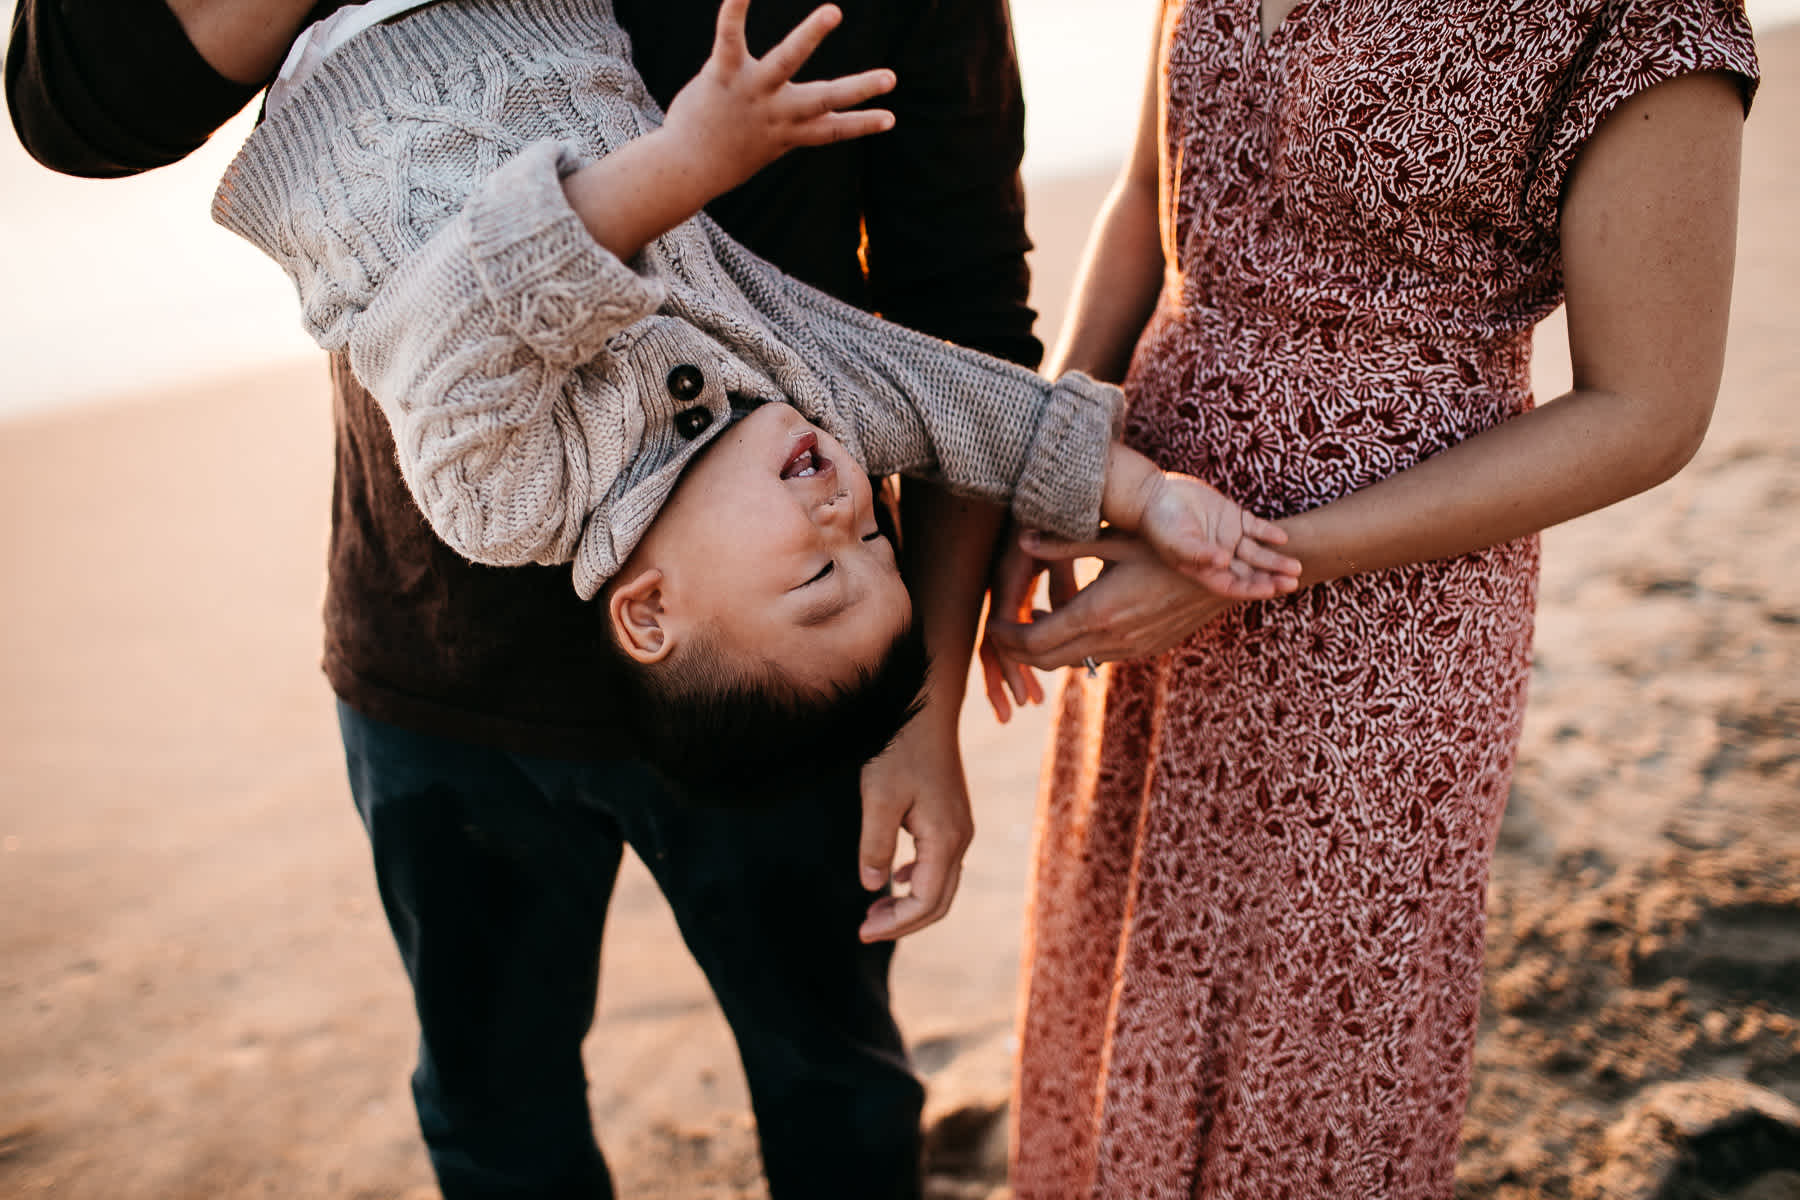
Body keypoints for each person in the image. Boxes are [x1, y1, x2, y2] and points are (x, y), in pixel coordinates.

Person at [5, 0, 1028, 1194]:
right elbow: (77, 102)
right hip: (438, 666)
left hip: (797, 668)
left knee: (836, 1084)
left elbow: (967, 316)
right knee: (496, 1106)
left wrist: (923, 703)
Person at [979, 1, 1760, 1196]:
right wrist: (1059, 444)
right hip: (1145, 512)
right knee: (1130, 937)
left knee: (1315, 1033)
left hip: (1383, 612)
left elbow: (1648, 410)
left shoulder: (1643, 18)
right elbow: (1148, 200)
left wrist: (1255, 562)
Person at [211, 0, 1302, 800]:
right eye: (880, 539)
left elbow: (468, 310)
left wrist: (688, 163)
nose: (851, 517)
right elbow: (959, 406)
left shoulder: (505, 503)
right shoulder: (793, 394)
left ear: (649, 610)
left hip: (350, 80)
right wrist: (1146, 492)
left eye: (821, 574)